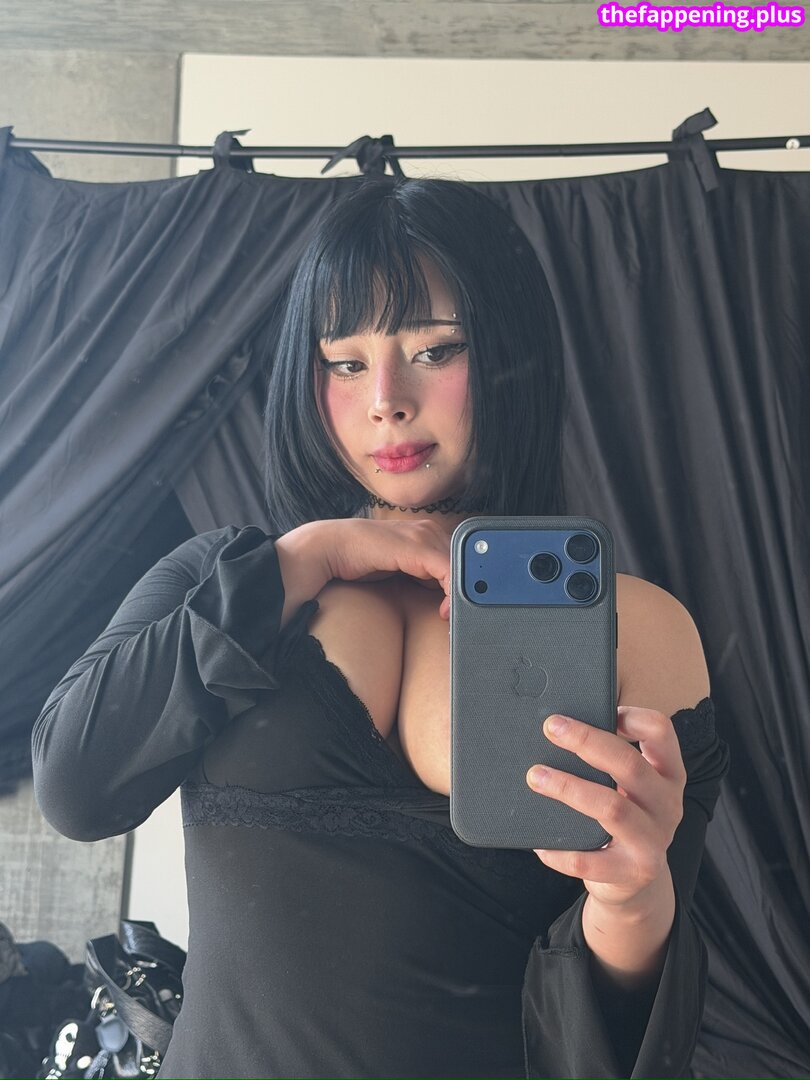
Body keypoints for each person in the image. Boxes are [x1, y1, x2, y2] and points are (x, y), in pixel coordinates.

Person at [32, 177, 729, 1079]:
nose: (387, 400)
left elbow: (629, 1048)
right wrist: (305, 558)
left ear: (511, 354)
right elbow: (76, 789)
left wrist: (633, 897)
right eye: (346, 363)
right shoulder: (223, 579)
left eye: (435, 350)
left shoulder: (637, 628)